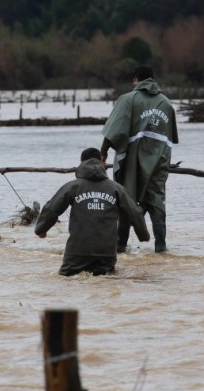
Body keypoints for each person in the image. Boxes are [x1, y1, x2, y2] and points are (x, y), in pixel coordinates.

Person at [35, 147, 150, 276]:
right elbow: (135, 212)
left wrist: (41, 229)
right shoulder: (117, 188)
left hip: (77, 252)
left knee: (66, 281)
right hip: (106, 253)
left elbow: (51, 209)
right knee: (106, 283)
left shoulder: (73, 186)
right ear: (101, 162)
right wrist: (143, 236)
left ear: (81, 163)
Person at [100, 65, 178, 253]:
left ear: (136, 80)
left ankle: (120, 246)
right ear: (152, 79)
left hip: (133, 162)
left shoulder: (128, 99)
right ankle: (161, 247)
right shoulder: (166, 103)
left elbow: (113, 132)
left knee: (127, 199)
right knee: (156, 199)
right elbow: (171, 138)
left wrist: (102, 152)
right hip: (159, 161)